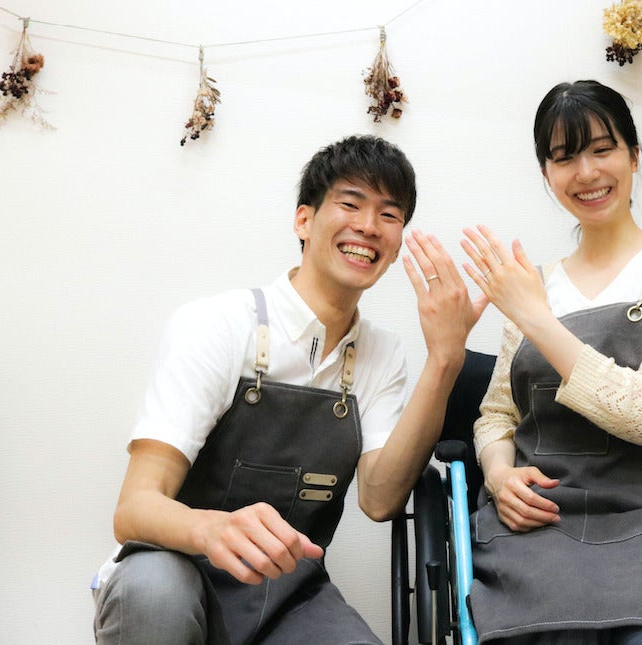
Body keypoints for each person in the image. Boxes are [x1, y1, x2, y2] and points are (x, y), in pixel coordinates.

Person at [92, 134, 487, 644]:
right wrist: (212, 530)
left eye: (389, 215)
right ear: (304, 220)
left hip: (288, 594)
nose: (369, 226)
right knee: (154, 594)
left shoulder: (381, 355)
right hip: (175, 568)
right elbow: (134, 508)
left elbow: (380, 499)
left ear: (396, 246)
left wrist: (445, 359)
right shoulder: (217, 324)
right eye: (350, 204)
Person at [459, 81, 642, 644]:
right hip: (540, 524)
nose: (586, 172)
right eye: (564, 156)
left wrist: (537, 317)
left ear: (634, 155)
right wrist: (498, 475)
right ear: (546, 173)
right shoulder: (533, 285)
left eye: (602, 149)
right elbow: (497, 414)